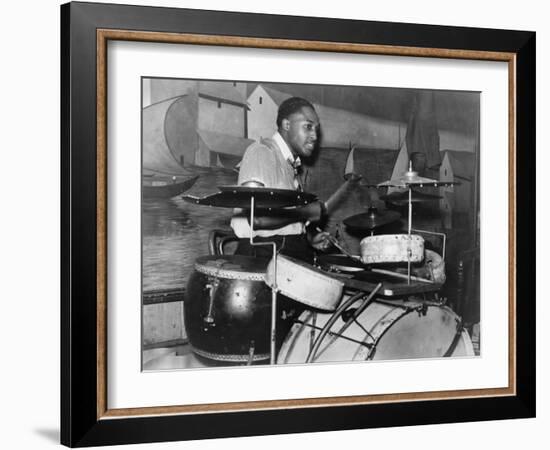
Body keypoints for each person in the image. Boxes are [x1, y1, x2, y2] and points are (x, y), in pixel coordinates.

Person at [231, 97, 331, 263]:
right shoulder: (261, 152)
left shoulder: (289, 165)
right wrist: (306, 212)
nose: (314, 136)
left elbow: (283, 226)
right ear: (287, 125)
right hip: (262, 258)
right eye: (308, 127)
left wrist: (308, 242)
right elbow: (257, 218)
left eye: (316, 129)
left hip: (285, 253)